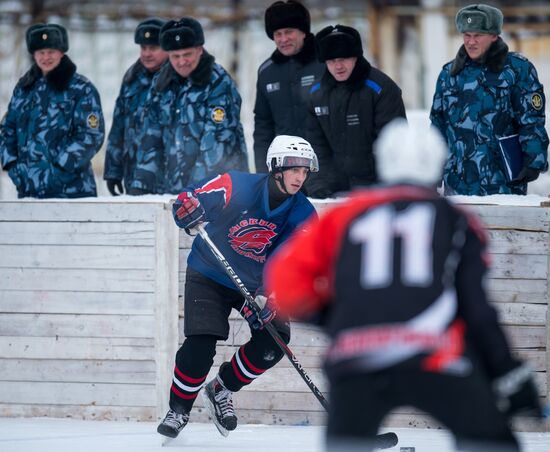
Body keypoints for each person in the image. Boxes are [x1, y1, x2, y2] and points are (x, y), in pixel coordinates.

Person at [265, 119, 542, 451]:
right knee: (493, 442)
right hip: (435, 357)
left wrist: (337, 321)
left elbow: (286, 281)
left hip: (356, 359)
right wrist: (507, 370)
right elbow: (477, 310)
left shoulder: (346, 214)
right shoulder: (458, 220)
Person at [156, 135, 319, 439]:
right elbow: (191, 197)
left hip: (254, 285)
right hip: (210, 273)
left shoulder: (303, 214)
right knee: (201, 345)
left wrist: (273, 295)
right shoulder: (237, 185)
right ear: (276, 167)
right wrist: (187, 208)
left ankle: (221, 388)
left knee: (275, 341)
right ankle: (179, 409)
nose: (300, 177)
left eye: (305, 171)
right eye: (294, 169)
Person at [430, 3, 549, 196]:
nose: (471, 42)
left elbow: (531, 120)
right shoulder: (449, 74)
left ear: (494, 35)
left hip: (502, 182)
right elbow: (437, 124)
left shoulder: (517, 69)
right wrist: (432, 165)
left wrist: (534, 159)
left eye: (478, 35)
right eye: (467, 35)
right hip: (457, 184)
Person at [137, 17, 248, 194]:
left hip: (217, 192)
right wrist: (142, 180)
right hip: (172, 192)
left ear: (199, 50)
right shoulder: (161, 83)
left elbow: (216, 144)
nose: (182, 62)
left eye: (187, 54)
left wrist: (194, 191)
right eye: (175, 56)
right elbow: (151, 135)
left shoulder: (219, 83)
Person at [0, 23, 104, 198]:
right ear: (34, 54)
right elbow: (7, 128)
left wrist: (60, 170)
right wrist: (12, 166)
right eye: (41, 52)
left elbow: (91, 135)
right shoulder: (24, 88)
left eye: (51, 52)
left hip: (72, 192)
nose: (46, 57)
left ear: (62, 52)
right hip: (29, 192)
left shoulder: (81, 89)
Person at [305, 24, 406, 199]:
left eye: (344, 58)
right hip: (333, 193)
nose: (338, 66)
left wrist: (386, 189)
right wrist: (318, 185)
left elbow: (394, 144)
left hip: (376, 192)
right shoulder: (316, 94)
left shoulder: (381, 88)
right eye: (331, 61)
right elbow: (315, 147)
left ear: (356, 57)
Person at [253, 0, 325, 173]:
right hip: (285, 171)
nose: (283, 39)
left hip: (324, 166)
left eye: (289, 32)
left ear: (303, 32)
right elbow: (263, 126)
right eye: (278, 34)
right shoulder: (266, 72)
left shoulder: (326, 63)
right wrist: (264, 173)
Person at [103, 18, 168, 196]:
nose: (147, 53)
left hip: (166, 179)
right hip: (134, 176)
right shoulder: (132, 79)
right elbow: (119, 127)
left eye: (153, 48)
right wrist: (113, 170)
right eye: (143, 48)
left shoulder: (176, 77)